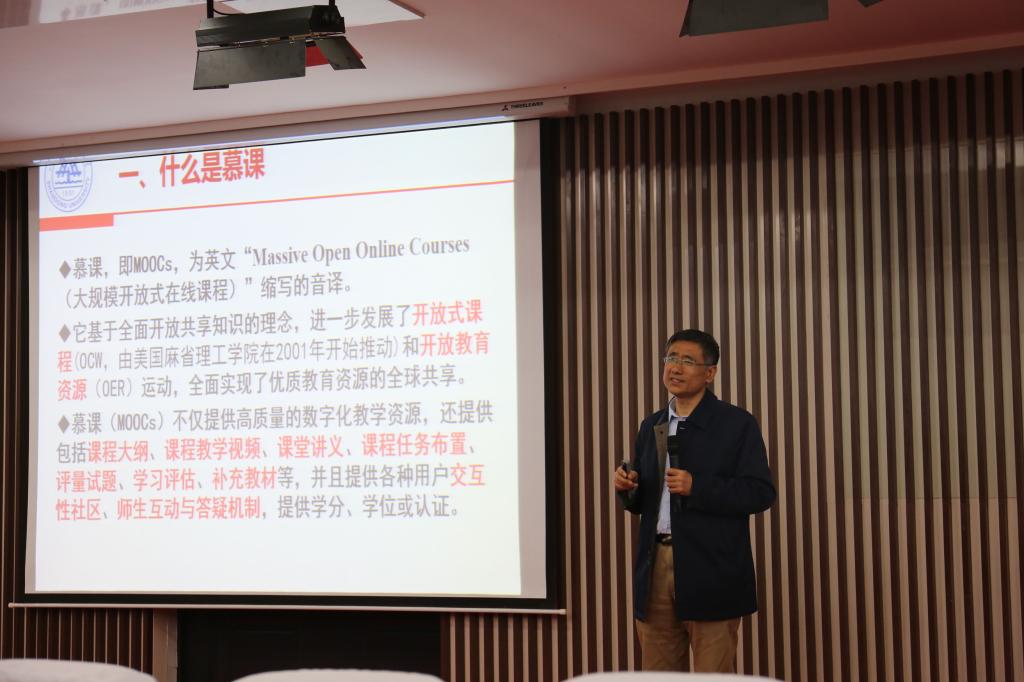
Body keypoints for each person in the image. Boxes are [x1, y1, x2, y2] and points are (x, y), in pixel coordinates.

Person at [614, 328, 775, 672]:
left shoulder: (736, 424)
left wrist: (697, 487)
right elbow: (646, 502)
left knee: (712, 675)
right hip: (656, 565)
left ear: (710, 372)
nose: (675, 367)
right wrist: (629, 487)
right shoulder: (653, 425)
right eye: (671, 358)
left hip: (712, 568)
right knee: (658, 676)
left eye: (687, 361)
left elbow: (760, 492)